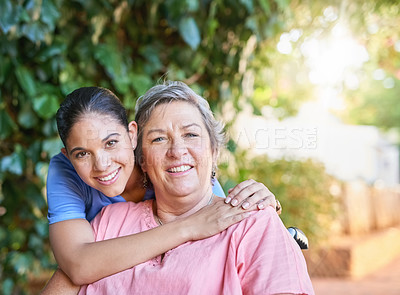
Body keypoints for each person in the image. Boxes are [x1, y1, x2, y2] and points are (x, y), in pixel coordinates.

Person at [73, 81, 314, 294]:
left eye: (190, 135)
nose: (177, 151)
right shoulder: (110, 222)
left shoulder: (252, 223)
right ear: (142, 160)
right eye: (159, 139)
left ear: (213, 150)